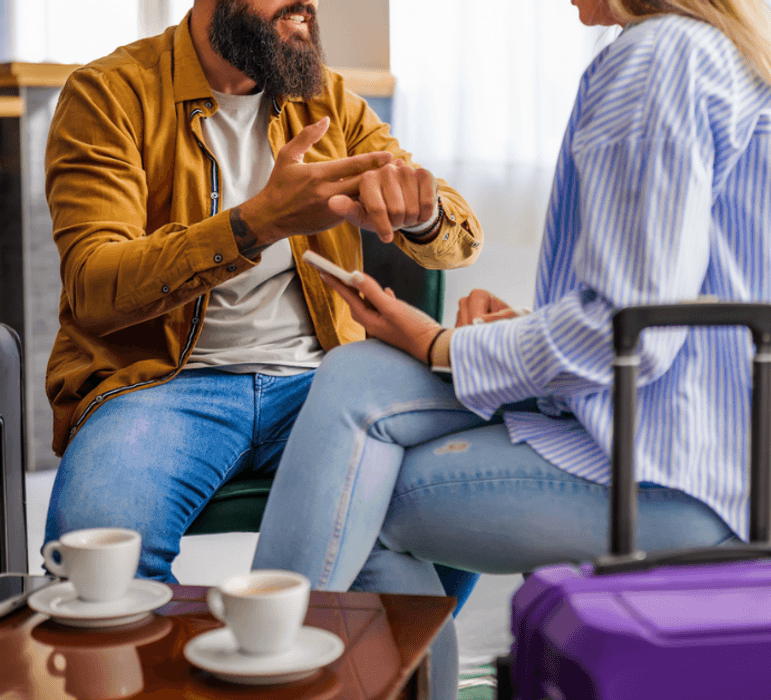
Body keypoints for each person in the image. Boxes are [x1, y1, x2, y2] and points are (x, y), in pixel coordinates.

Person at [250, 0, 771, 698]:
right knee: (357, 370)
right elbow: (660, 305)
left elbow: (630, 331)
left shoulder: (653, 58)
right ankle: (270, 661)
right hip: (731, 456)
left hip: (698, 480)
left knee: (354, 500)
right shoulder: (707, 52)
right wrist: (506, 331)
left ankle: (265, 676)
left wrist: (441, 342)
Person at [40, 0, 485, 604]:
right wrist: (252, 225)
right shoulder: (109, 95)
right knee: (93, 565)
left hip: (323, 384)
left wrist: (422, 212)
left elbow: (457, 234)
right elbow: (95, 284)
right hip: (160, 386)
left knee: (464, 491)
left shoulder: (327, 99)